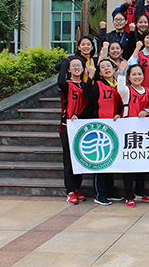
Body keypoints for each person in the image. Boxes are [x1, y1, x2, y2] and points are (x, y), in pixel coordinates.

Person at [82, 59, 123, 205]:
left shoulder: (119, 85)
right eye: (103, 67)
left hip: (115, 126)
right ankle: (99, 194)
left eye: (109, 66)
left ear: (114, 69)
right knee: (101, 161)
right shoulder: (98, 85)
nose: (106, 68)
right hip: (101, 128)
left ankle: (110, 192)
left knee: (111, 161)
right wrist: (90, 77)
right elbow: (86, 95)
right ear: (99, 72)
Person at [118, 61, 149, 206]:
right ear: (129, 77)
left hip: (143, 132)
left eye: (139, 74)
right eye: (133, 74)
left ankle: (140, 192)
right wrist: (121, 72)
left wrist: (148, 111)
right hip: (128, 131)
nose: (137, 76)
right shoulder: (127, 91)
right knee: (129, 164)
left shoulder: (148, 91)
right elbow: (120, 87)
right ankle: (129, 196)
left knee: (141, 162)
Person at [58, 56, 93, 205]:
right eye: (73, 65)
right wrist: (65, 62)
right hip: (67, 126)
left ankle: (77, 188)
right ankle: (70, 190)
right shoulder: (66, 84)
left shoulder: (85, 85)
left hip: (81, 125)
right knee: (68, 159)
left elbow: (91, 105)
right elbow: (60, 81)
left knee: (79, 158)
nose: (77, 68)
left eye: (79, 65)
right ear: (69, 69)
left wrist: (80, 116)